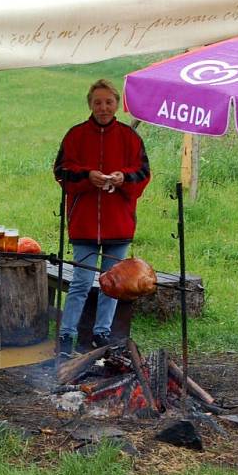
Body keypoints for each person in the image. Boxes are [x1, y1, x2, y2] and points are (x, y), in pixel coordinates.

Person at [53, 78, 151, 357]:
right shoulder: (75, 135)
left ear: (117, 104)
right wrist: (87, 177)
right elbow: (61, 171)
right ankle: (67, 335)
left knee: (114, 283)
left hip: (118, 223)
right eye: (98, 102)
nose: (103, 107)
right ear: (90, 105)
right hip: (83, 224)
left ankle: (102, 333)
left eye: (108, 102)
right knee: (82, 282)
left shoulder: (130, 138)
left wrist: (122, 178)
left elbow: (143, 174)